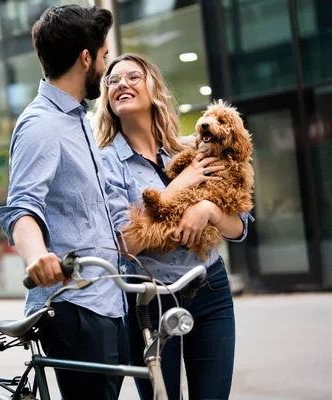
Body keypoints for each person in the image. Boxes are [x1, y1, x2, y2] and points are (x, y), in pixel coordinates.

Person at [93, 53, 254, 399]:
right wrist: (180, 187)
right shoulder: (104, 163)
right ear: (106, 99)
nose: (122, 83)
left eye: (133, 77)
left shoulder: (189, 149)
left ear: (154, 89)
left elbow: (239, 227)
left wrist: (208, 209)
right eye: (113, 80)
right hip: (148, 301)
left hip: (210, 288)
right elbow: (124, 243)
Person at [0, 5, 129, 400]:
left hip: (107, 300)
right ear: (85, 57)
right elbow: (21, 207)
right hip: (75, 305)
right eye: (104, 56)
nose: (105, 67)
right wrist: (36, 256)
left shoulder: (78, 121)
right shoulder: (42, 124)